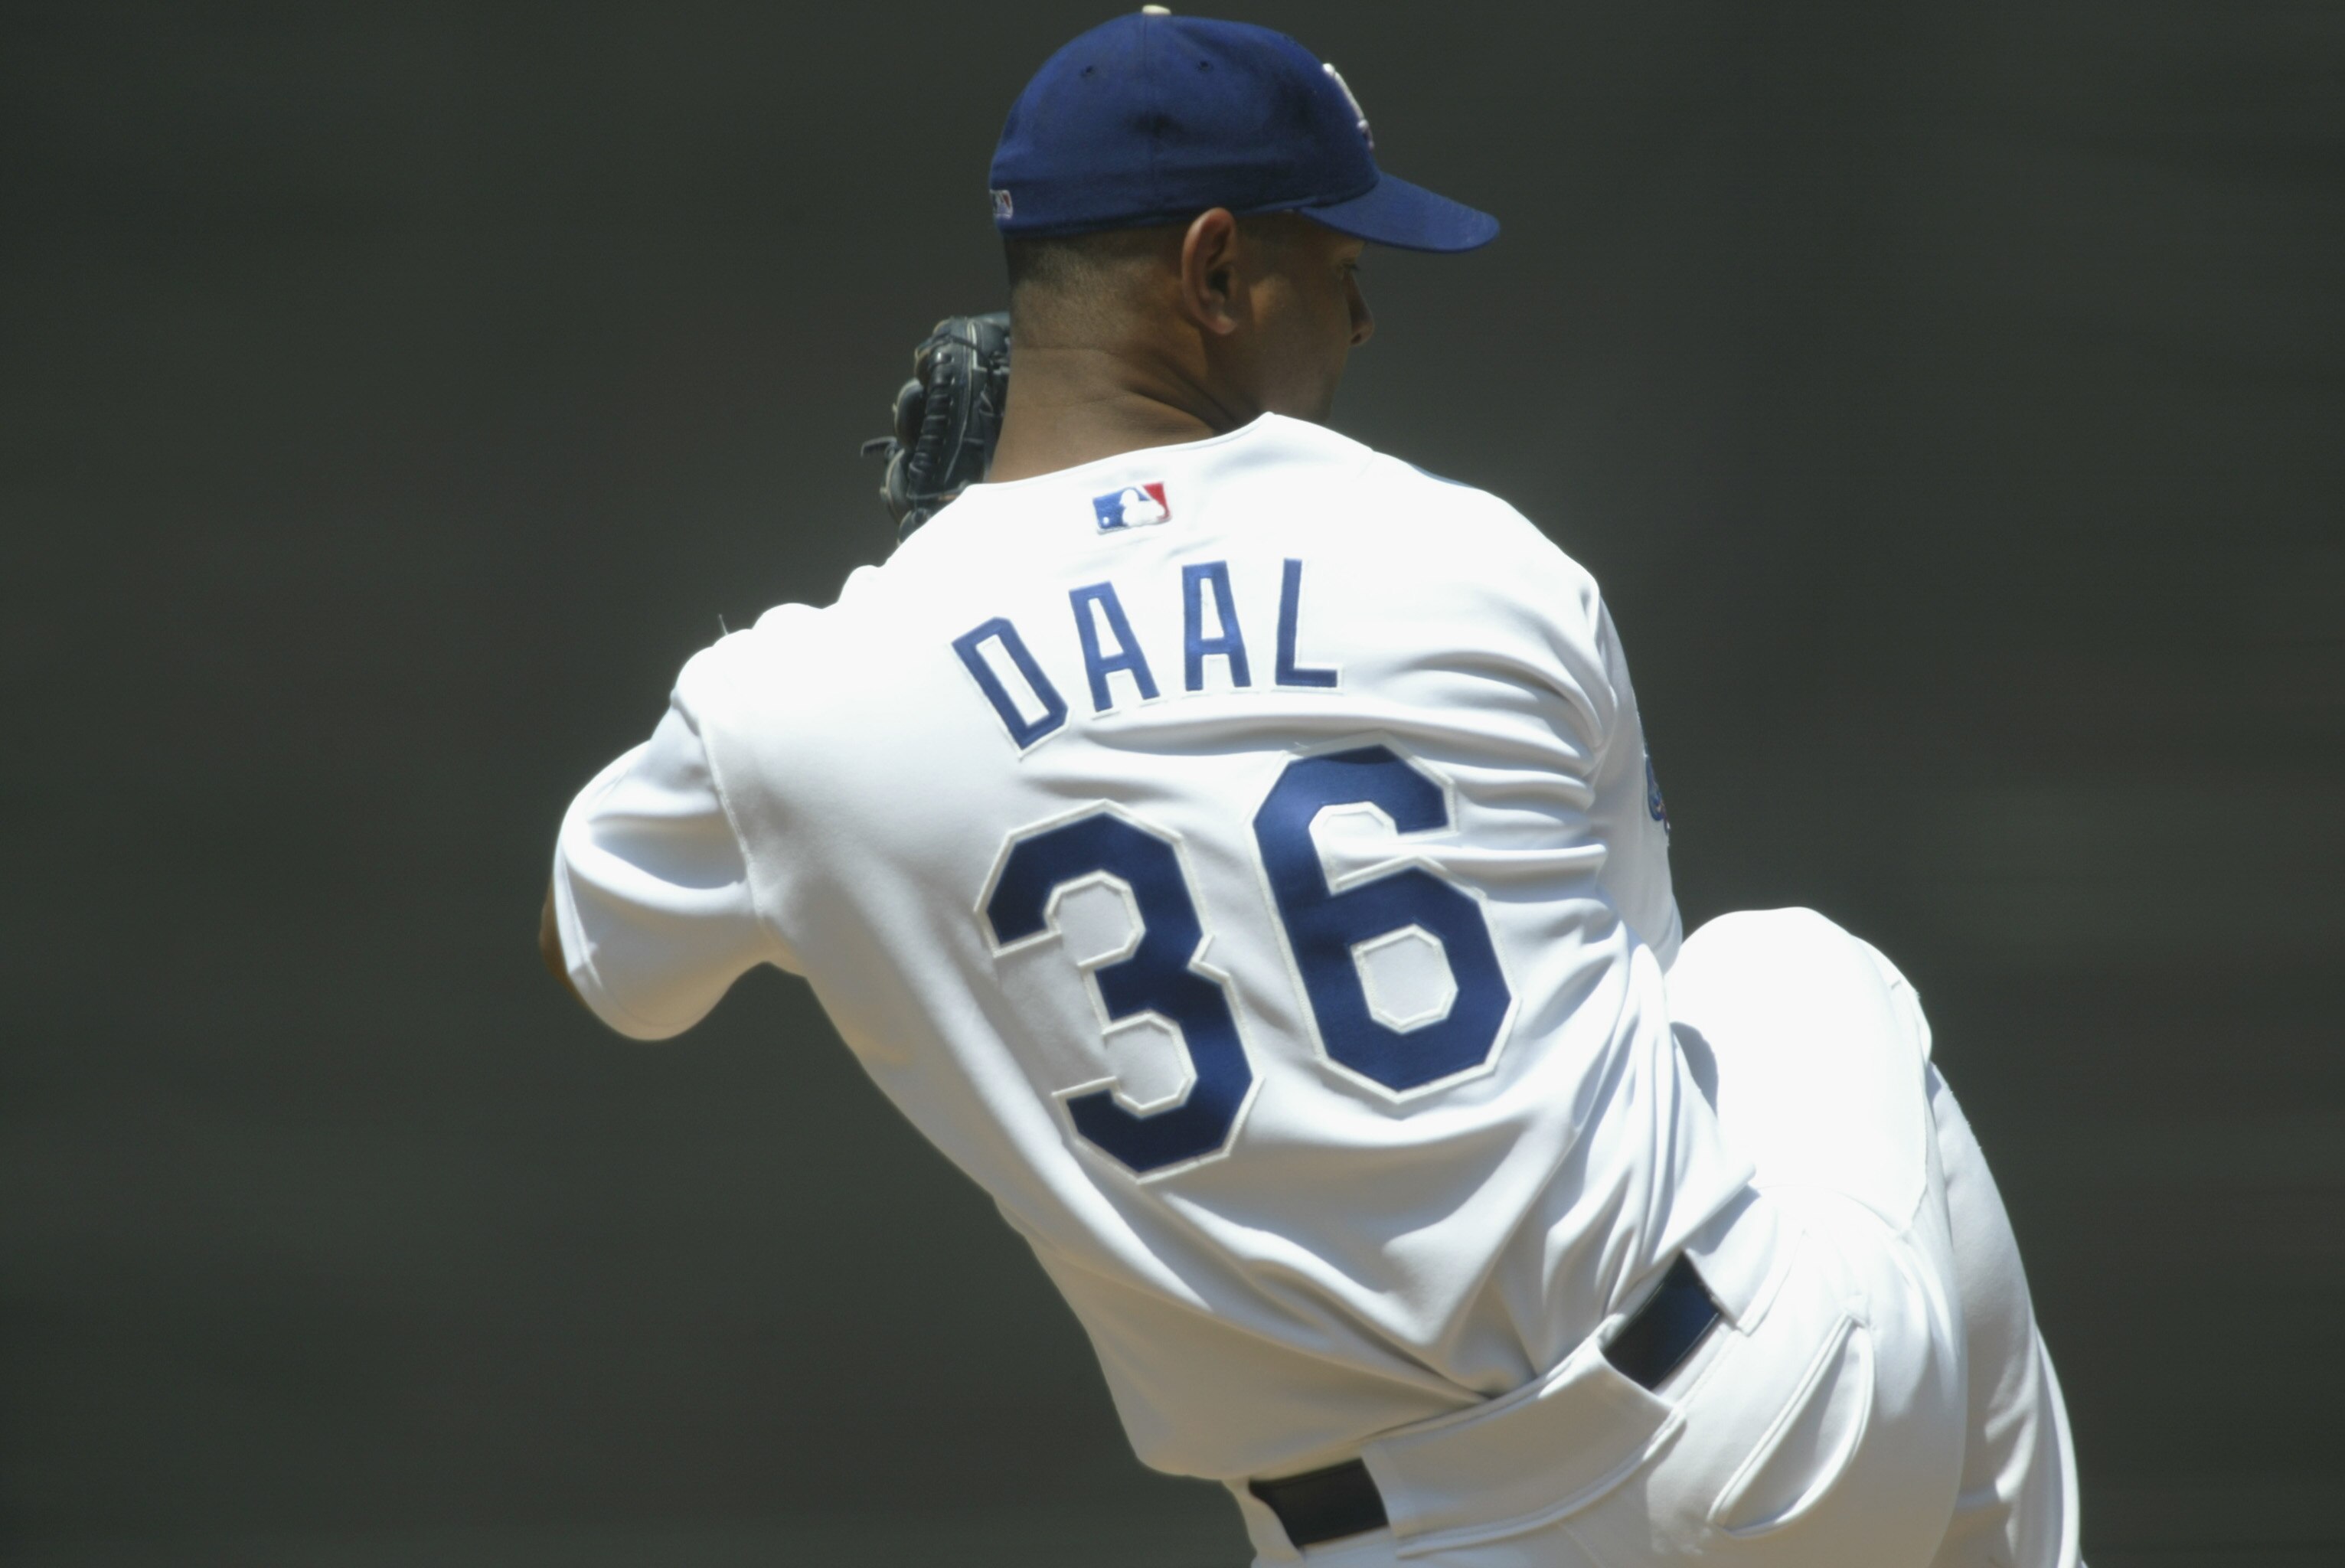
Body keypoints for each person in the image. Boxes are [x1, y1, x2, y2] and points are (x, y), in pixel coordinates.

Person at [540, 11, 2081, 1565]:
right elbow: (1641, 1000)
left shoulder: (802, 711)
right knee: (1797, 971)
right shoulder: (1480, 563)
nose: (1359, 319)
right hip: (1761, 1448)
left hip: (1373, 1541)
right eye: (1335, 265)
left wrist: (904, 631)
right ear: (1212, 273)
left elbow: (598, 962)